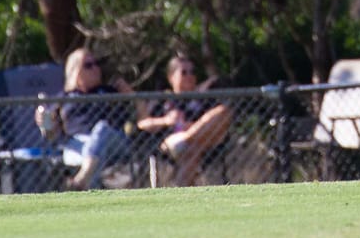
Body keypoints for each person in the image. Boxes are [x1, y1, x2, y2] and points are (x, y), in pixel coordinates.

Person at [133, 51, 234, 187]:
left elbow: (218, 123)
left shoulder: (204, 100)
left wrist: (188, 129)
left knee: (223, 112)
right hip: (169, 147)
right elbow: (142, 124)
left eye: (192, 72)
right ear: (171, 77)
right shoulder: (163, 100)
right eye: (184, 72)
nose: (189, 76)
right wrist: (166, 120)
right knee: (193, 149)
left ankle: (186, 139)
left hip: (198, 144)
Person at [40, 47, 132, 190]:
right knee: (92, 151)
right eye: (88, 65)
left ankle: (80, 181)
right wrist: (43, 119)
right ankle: (88, 189)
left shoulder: (109, 92)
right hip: (77, 145)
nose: (95, 68)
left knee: (101, 128)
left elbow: (140, 117)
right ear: (75, 71)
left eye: (96, 64)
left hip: (112, 141)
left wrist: (132, 96)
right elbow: (49, 134)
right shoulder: (63, 98)